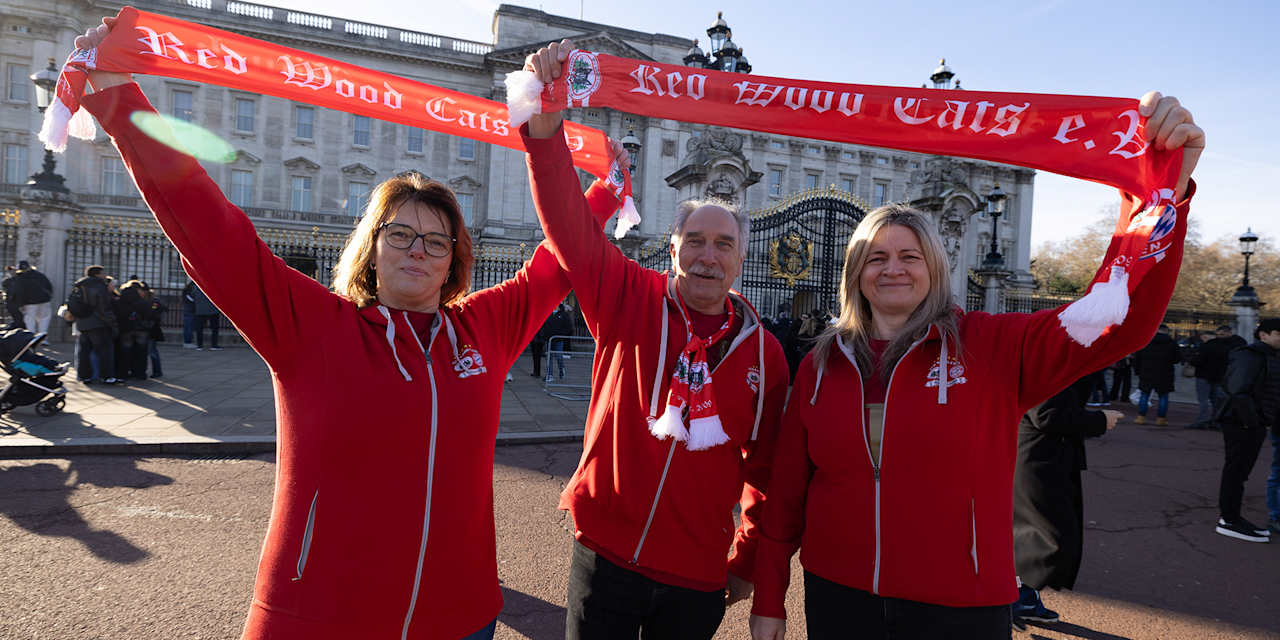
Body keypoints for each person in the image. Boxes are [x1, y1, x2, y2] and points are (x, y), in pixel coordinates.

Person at [72, 17, 622, 639]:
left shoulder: (483, 330)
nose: (419, 250)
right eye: (401, 234)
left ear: (453, 261)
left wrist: (605, 193)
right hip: (320, 616)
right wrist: (116, 96)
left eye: (437, 241)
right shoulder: (313, 326)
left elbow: (554, 264)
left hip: (460, 615)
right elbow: (210, 229)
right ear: (373, 247)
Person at [746, 90, 1201, 639]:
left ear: (935, 269)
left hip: (960, 604)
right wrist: (770, 597)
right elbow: (786, 495)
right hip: (840, 596)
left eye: (910, 256)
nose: (894, 270)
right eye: (877, 258)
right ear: (856, 274)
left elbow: (1117, 320)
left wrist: (1156, 196)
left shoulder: (992, 346)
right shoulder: (821, 365)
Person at [524, 41, 790, 640]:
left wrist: (746, 559)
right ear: (672, 250)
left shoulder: (765, 354)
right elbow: (569, 227)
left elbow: (766, 469)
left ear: (740, 260)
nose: (707, 255)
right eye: (694, 240)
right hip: (607, 555)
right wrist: (545, 135)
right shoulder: (628, 297)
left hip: (696, 574)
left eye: (723, 244)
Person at [1011, 371, 1121, 629]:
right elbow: (1047, 414)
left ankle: (1021, 598)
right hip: (1038, 458)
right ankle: (1011, 600)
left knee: (1035, 535)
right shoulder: (1050, 361)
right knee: (1046, 537)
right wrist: (1098, 420)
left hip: (1044, 455)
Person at [1214, 318, 1280, 543]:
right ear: (1263, 335)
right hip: (1242, 423)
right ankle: (1229, 520)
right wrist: (1253, 421)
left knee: (1240, 473)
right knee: (1236, 472)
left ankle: (1233, 517)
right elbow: (1237, 390)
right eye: (1279, 334)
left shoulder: (1268, 356)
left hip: (1253, 422)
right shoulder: (1249, 355)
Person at [1190, 325, 1247, 430]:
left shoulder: (1211, 345)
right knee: (1218, 400)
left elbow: (1197, 360)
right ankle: (1216, 421)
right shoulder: (1239, 345)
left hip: (1205, 374)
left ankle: (1203, 420)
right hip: (1223, 376)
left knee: (1204, 400)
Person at [71, 265, 120, 385]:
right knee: (105, 351)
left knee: (84, 352)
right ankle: (106, 376)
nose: (104, 275)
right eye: (102, 273)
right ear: (97, 274)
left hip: (82, 322)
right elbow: (103, 307)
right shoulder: (99, 286)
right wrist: (112, 322)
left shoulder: (79, 285)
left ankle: (84, 376)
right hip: (98, 323)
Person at [1134, 324, 1179, 425]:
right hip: (1165, 373)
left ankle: (1141, 417)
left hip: (1147, 371)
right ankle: (1161, 419)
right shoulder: (1172, 343)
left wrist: (1137, 371)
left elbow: (1138, 357)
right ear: (1166, 331)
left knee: (1144, 394)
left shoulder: (1146, 340)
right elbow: (1177, 359)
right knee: (1163, 396)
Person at [11, 261, 54, 334]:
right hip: (44, 300)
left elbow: (19, 292)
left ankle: (31, 338)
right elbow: (49, 287)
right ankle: (42, 338)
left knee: (30, 320)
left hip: (29, 303)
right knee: (44, 319)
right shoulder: (40, 275)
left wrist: (20, 304)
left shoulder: (20, 278)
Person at [188, 282, 222, 351]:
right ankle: (214, 345)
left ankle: (200, 346)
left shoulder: (197, 286)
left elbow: (191, 297)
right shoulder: (215, 286)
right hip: (213, 310)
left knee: (199, 329)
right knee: (214, 328)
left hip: (200, 310)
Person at [1, 266, 25, 330]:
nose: (11, 272)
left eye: (13, 270)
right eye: (10, 271)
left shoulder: (18, 279)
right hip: (12, 302)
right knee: (17, 318)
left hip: (16, 302)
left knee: (19, 319)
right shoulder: (9, 280)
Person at [181, 280, 197, 348]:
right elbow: (192, 300)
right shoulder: (189, 292)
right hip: (190, 310)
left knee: (188, 327)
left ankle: (187, 342)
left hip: (187, 310)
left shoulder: (186, 291)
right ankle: (188, 342)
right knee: (189, 327)